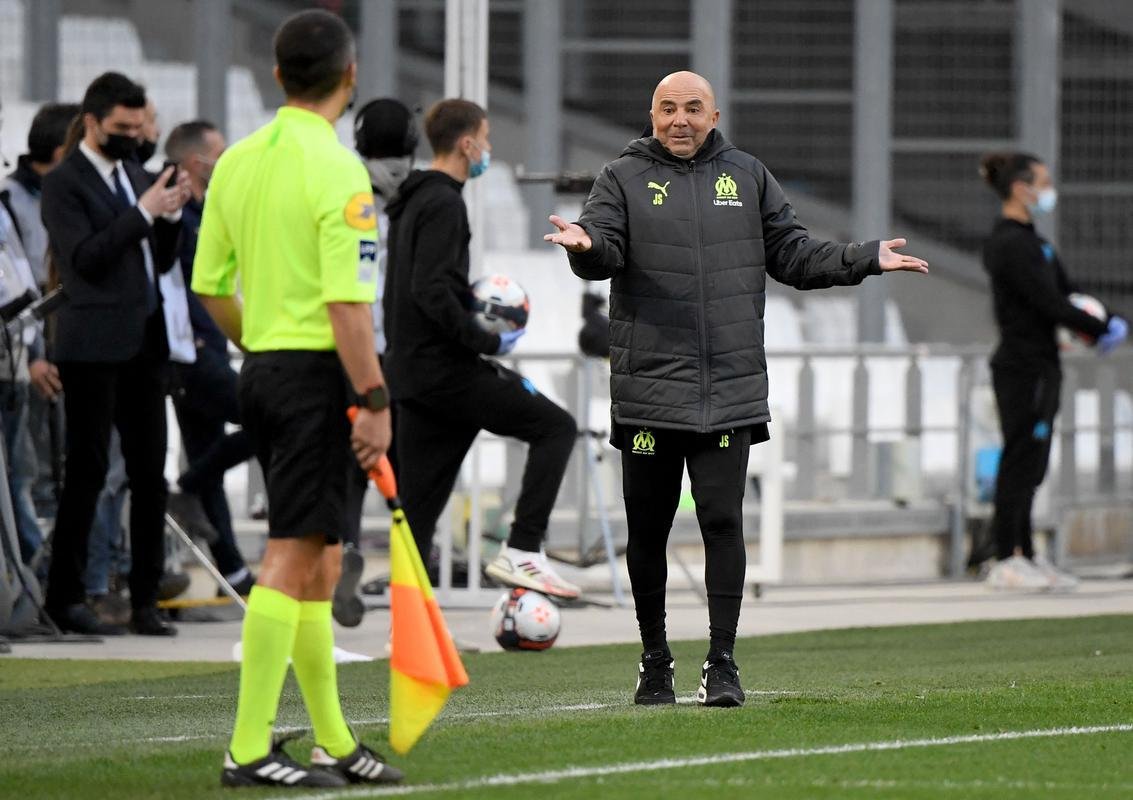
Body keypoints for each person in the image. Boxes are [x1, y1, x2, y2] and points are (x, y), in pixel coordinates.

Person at [546, 70, 929, 707]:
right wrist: (584, 250)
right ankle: (654, 661)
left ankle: (721, 663)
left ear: (714, 113)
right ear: (652, 112)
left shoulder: (747, 176)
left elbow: (795, 255)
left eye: (692, 108)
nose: (679, 120)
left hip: (728, 386)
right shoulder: (620, 177)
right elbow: (603, 248)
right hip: (648, 390)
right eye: (667, 108)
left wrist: (863, 258)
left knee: (723, 521)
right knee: (649, 529)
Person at [192, 10, 402, 789]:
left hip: (265, 368)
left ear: (278, 75)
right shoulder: (340, 171)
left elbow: (208, 286)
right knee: (290, 554)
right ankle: (246, 749)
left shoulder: (237, 161)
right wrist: (373, 396)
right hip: (320, 375)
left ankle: (334, 741)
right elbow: (349, 308)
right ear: (349, 78)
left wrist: (263, 341)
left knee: (317, 560)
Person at [383, 98, 580, 600]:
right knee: (556, 427)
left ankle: (409, 640)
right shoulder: (444, 201)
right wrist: (486, 340)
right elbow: (431, 291)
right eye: (486, 139)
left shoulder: (411, 201)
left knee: (417, 516)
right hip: (445, 374)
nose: (488, 149)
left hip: (412, 375)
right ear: (467, 144)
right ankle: (523, 549)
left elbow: (419, 288)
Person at [40, 72, 191, 637]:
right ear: (94, 121)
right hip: (92, 346)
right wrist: (146, 210)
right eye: (121, 128)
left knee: (151, 476)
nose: (133, 136)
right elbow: (86, 260)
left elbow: (160, 258)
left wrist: (169, 216)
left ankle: (146, 598)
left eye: (138, 125)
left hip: (145, 344)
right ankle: (67, 594)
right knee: (88, 470)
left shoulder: (133, 175)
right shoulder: (66, 183)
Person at [977, 152, 1127, 590]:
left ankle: (1028, 552)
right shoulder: (1008, 243)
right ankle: (1007, 556)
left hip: (1044, 362)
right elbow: (1048, 302)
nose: (1047, 189)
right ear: (1022, 187)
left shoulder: (1036, 241)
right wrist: (1099, 330)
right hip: (1022, 364)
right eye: (1042, 182)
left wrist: (1111, 320)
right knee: (1020, 458)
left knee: (1035, 463)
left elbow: (1068, 292)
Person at [333, 97, 416, 627]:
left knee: (351, 465)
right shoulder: (421, 193)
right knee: (406, 464)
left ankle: (343, 543)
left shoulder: (343, 185)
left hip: (353, 346)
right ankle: (412, 558)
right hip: (403, 350)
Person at [165, 119, 255, 597]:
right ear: (199, 163)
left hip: (209, 346)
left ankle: (235, 575)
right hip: (191, 352)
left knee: (209, 453)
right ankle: (185, 485)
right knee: (270, 415)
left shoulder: (204, 213)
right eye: (221, 153)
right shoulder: (175, 218)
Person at [4, 103, 75, 520]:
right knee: (30, 470)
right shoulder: (11, 201)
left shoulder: (61, 195)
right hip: (26, 355)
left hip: (60, 346)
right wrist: (33, 357)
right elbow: (18, 284)